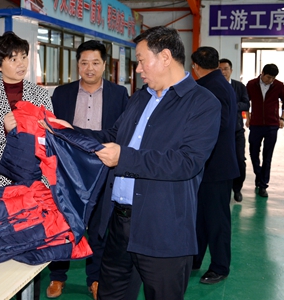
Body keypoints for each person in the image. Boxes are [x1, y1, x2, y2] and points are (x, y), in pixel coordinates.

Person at [48, 26, 221, 300]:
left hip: (162, 228)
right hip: (119, 225)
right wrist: (69, 131)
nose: (138, 69)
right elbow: (114, 135)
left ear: (165, 57)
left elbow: (187, 162)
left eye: (141, 60)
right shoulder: (141, 97)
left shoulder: (202, 103)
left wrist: (124, 158)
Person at [47, 40, 134, 300]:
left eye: (95, 62)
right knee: (64, 223)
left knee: (98, 227)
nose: (89, 68)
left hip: (102, 169)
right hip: (69, 169)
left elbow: (122, 133)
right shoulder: (61, 94)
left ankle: (95, 279)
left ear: (104, 65)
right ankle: (57, 276)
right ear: (78, 65)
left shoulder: (119, 94)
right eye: (84, 63)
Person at [0, 31, 53, 193]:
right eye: (14, 59)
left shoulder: (40, 94)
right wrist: (3, 129)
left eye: (24, 57)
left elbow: (50, 134)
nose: (22, 64)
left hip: (33, 176)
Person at [190, 47, 239, 285]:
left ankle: (220, 266)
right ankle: (195, 258)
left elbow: (218, 124)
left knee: (217, 220)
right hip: (209, 166)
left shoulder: (211, 87)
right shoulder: (218, 83)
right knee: (200, 217)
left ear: (195, 67)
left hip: (216, 166)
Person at [245, 63, 284, 198]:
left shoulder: (278, 85)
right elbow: (246, 101)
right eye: (268, 77)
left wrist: (282, 118)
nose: (270, 80)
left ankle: (263, 185)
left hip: (272, 125)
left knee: (267, 156)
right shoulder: (251, 84)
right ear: (262, 73)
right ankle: (259, 174)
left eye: (273, 78)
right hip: (256, 124)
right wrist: (248, 118)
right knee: (253, 152)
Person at [218, 58, 250, 202]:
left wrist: (231, 106)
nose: (223, 72)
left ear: (231, 70)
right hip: (219, 132)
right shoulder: (215, 86)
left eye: (225, 69)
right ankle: (223, 189)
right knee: (221, 161)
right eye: (220, 69)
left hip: (236, 131)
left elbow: (246, 104)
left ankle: (237, 189)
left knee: (239, 160)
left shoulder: (239, 86)